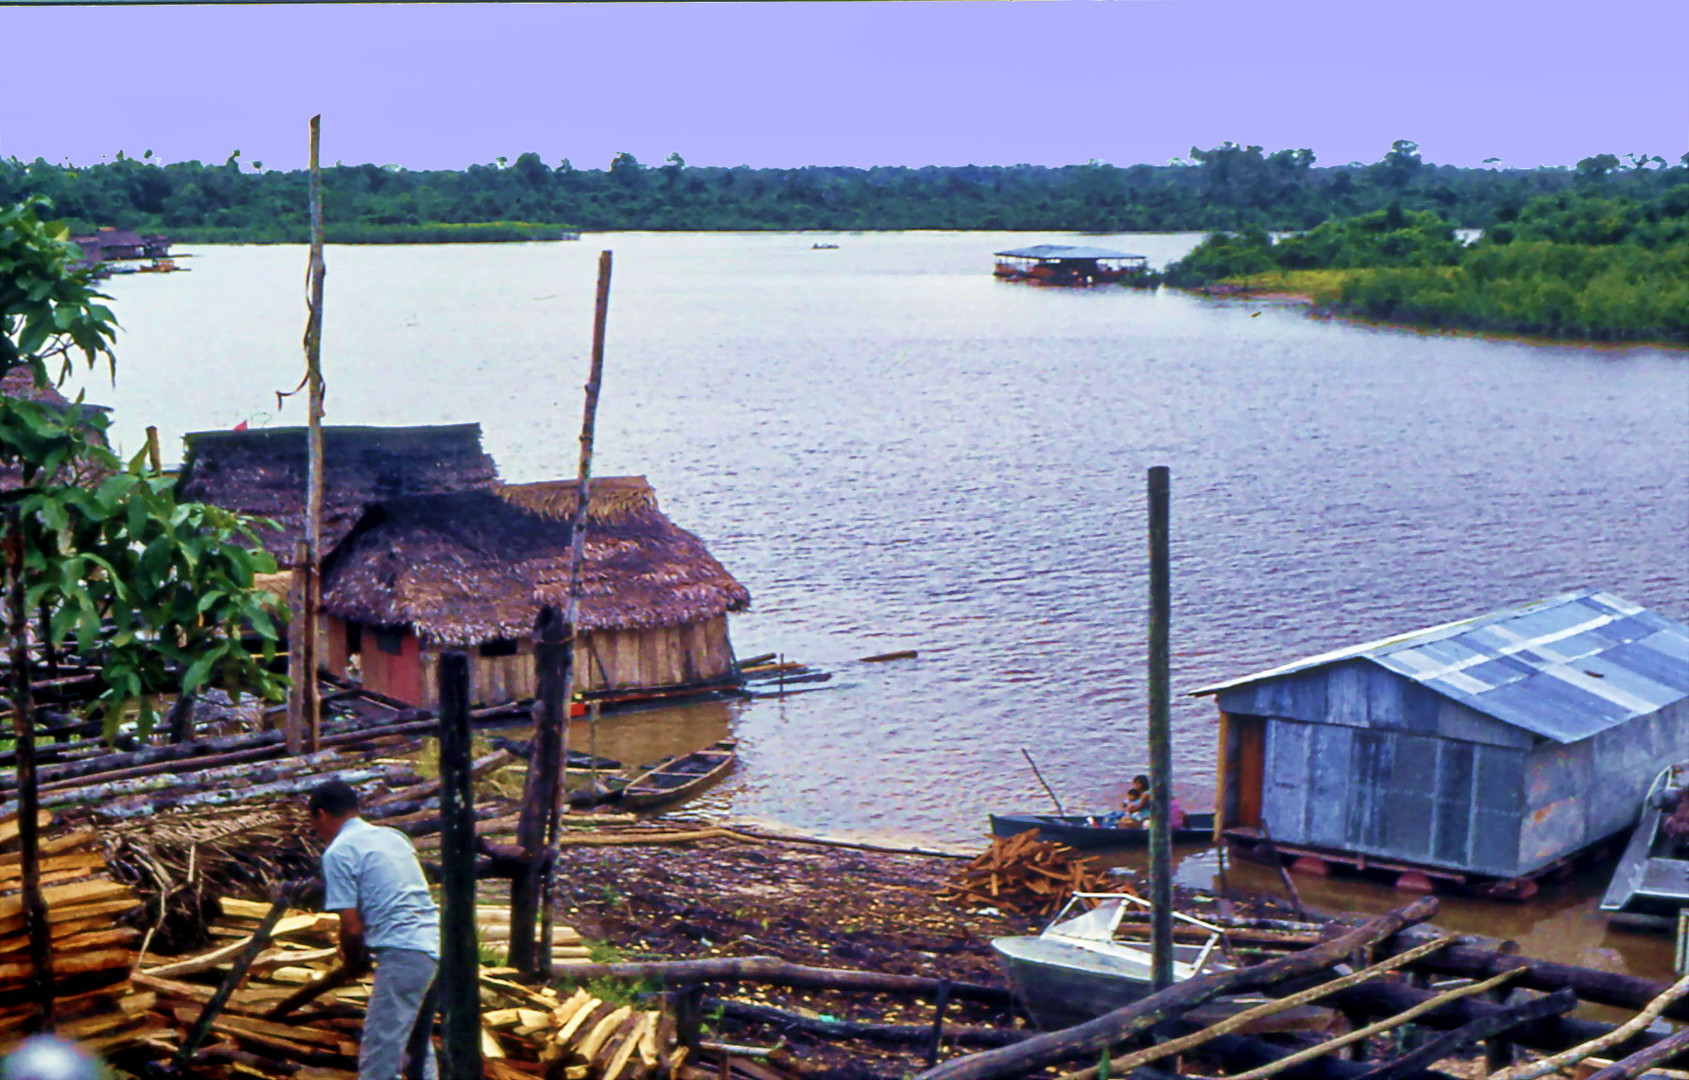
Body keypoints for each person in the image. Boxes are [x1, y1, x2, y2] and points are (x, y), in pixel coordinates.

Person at [310, 779, 441, 1080]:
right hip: (433, 942)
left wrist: (352, 961)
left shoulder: (339, 852)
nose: (320, 834)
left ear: (322, 815)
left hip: (404, 949)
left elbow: (352, 927)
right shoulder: (393, 837)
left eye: (316, 826)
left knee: (380, 1051)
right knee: (415, 1041)